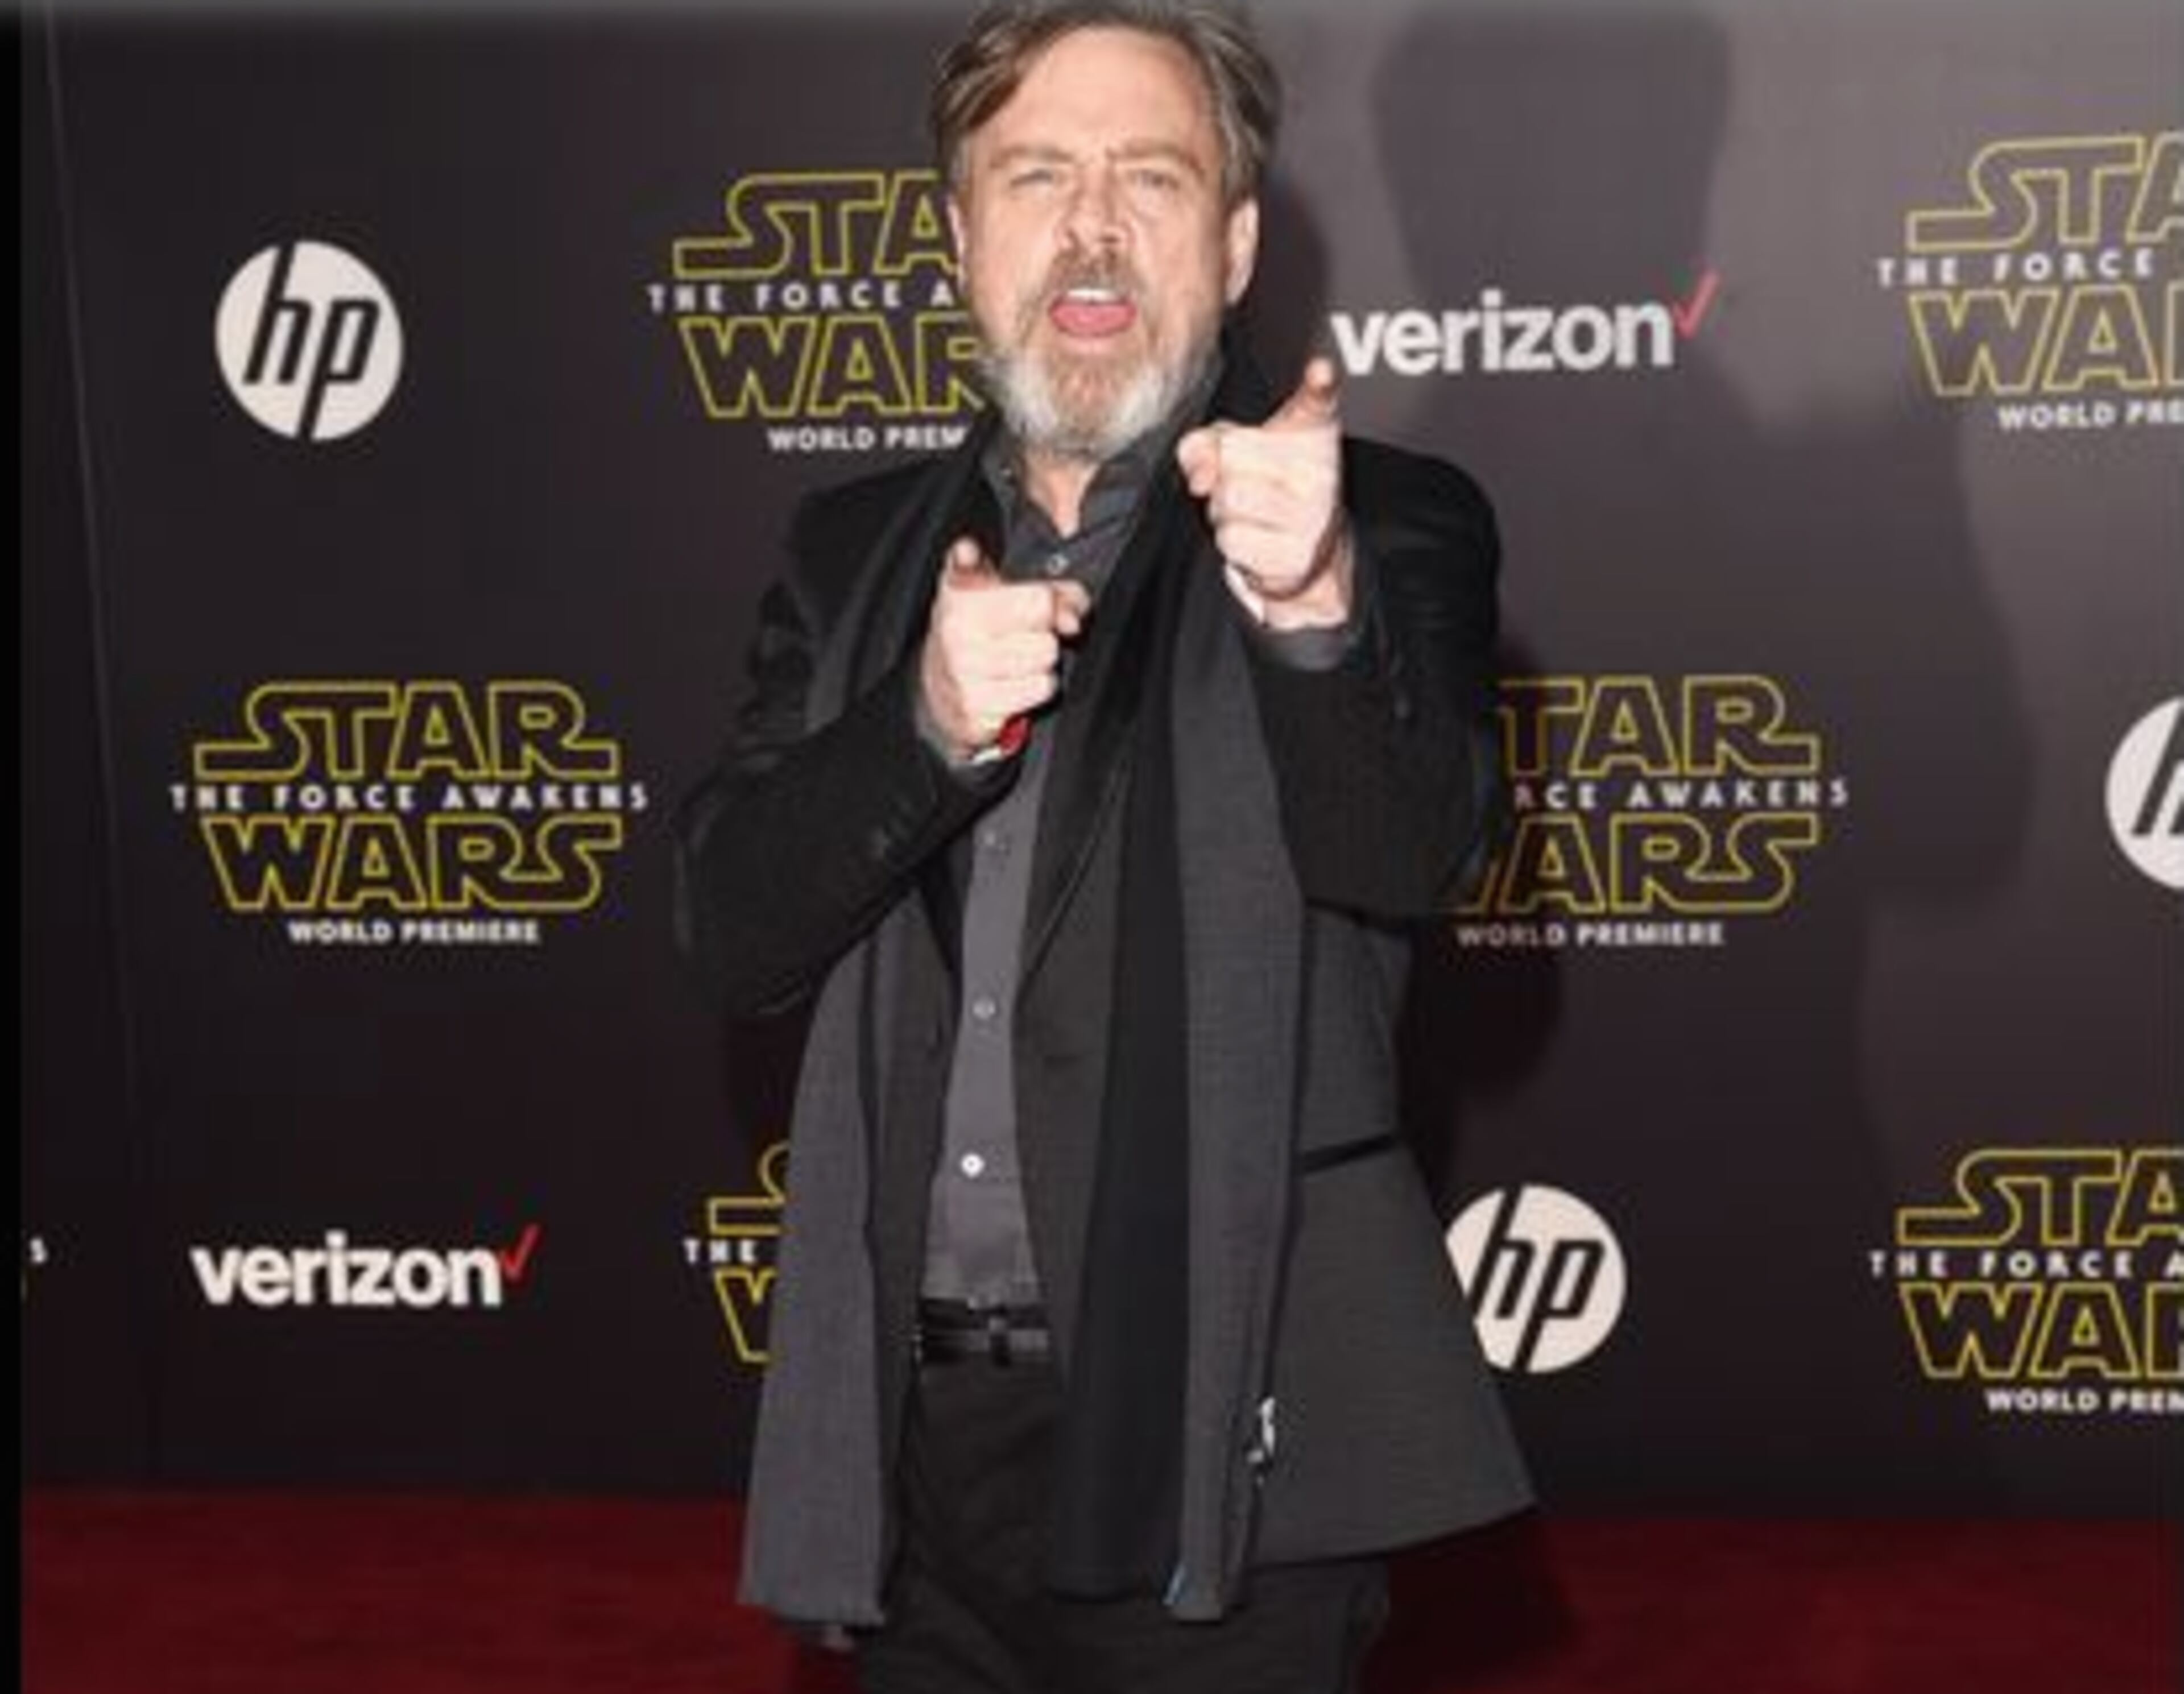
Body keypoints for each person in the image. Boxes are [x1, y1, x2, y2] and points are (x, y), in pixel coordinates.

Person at [673, 2, 1532, 1688]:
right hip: (908, 1463)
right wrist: (915, 727)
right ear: (957, 234)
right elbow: (727, 927)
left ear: (1232, 239)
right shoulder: (853, 558)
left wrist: (1308, 611)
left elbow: (1411, 853)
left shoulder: (1388, 516)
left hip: (1239, 1436)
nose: (1091, 225)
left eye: (1151, 176)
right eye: (1036, 174)